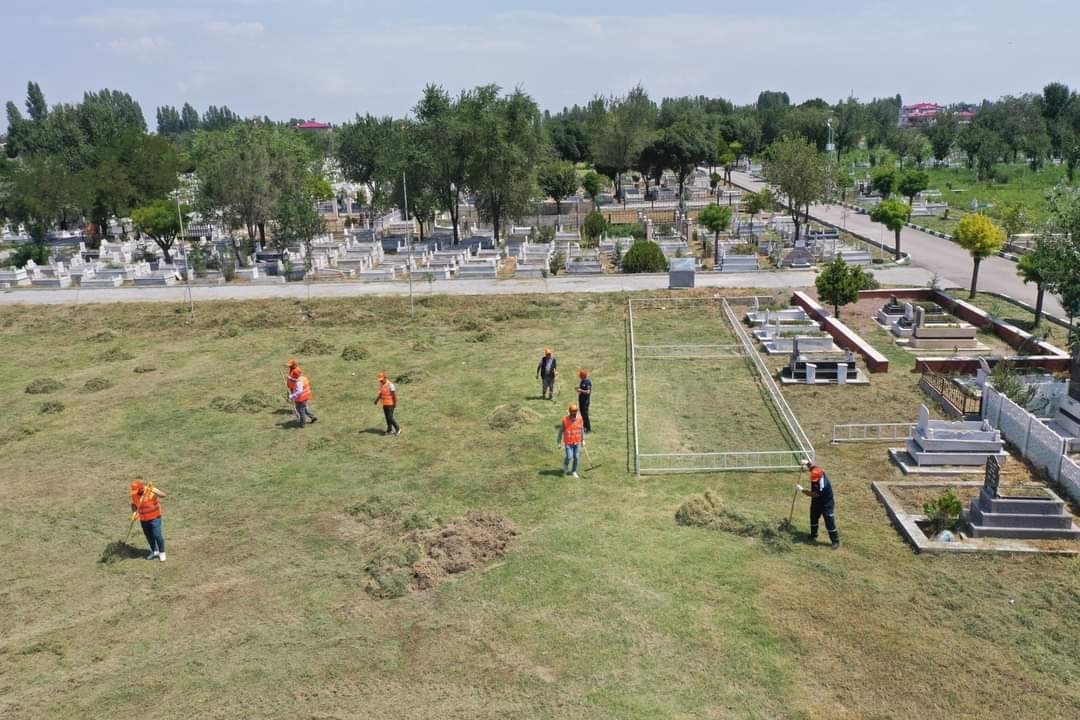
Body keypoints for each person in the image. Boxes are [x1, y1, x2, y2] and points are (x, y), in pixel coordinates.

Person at [798, 462, 840, 549]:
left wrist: (801, 490)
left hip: (826, 504)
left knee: (829, 521)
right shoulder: (818, 470)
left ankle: (835, 541)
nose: (814, 481)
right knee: (813, 517)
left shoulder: (822, 485)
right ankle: (813, 535)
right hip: (816, 502)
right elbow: (812, 466)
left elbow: (813, 494)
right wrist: (806, 463)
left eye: (815, 480)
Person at [131, 478, 168, 562]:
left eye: (137, 490)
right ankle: (154, 551)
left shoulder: (150, 490)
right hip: (143, 519)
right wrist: (134, 513)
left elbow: (163, 495)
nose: (135, 492)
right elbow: (133, 504)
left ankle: (162, 552)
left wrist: (153, 490)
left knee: (157, 535)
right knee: (149, 536)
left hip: (155, 518)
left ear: (141, 488)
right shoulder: (134, 494)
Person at [556, 403, 585, 478]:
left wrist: (583, 440)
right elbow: (560, 432)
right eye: (572, 411)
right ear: (570, 411)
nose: (574, 413)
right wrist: (559, 442)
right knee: (569, 457)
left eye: (575, 411)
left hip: (577, 442)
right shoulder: (565, 420)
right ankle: (565, 465)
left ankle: (574, 471)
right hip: (568, 443)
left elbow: (581, 430)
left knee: (576, 457)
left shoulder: (580, 419)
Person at [576, 369, 593, 434]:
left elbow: (588, 392)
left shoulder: (587, 382)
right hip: (581, 400)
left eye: (580, 375)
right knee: (582, 414)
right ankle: (584, 426)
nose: (579, 377)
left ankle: (588, 428)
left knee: (585, 414)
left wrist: (581, 390)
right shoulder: (582, 381)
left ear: (583, 376)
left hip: (585, 401)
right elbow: (582, 389)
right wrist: (578, 389)